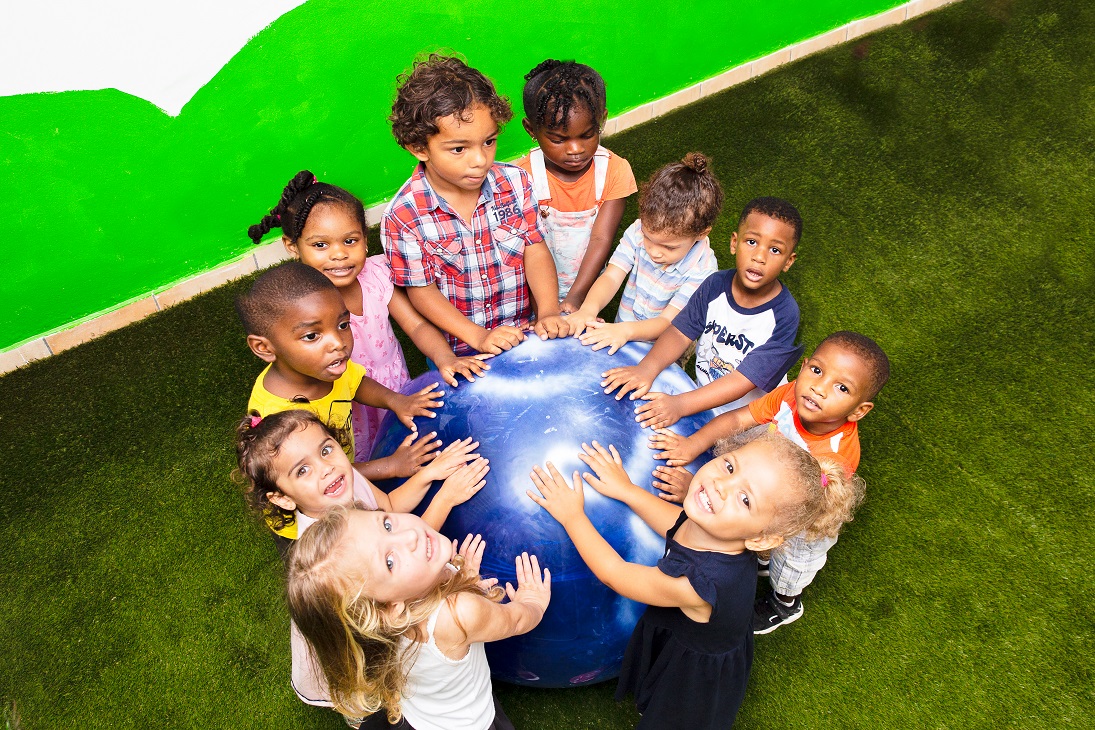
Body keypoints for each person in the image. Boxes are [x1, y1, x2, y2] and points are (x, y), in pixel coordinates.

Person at [527, 431, 864, 729]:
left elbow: (615, 575)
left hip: (696, 670)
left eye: (745, 499)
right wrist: (628, 491)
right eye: (730, 467)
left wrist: (572, 517)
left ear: (761, 539)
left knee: (673, 715)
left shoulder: (698, 582)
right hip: (696, 631)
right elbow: (677, 524)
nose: (721, 485)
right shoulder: (720, 527)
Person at [235, 409, 490, 717]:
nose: (326, 469)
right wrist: (445, 498)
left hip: (384, 604)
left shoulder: (344, 481)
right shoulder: (327, 553)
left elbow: (391, 506)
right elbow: (405, 563)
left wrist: (428, 474)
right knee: (365, 685)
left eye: (326, 450)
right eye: (302, 471)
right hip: (352, 636)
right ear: (283, 499)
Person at [650, 331, 890, 632]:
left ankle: (785, 604)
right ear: (803, 367)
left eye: (842, 387)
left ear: (859, 410)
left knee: (791, 564)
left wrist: (765, 532)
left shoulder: (833, 456)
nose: (819, 388)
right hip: (769, 487)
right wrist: (693, 444)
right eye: (817, 370)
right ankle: (763, 556)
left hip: (808, 515)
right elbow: (738, 420)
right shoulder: (791, 395)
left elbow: (797, 512)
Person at [248, 171, 492, 461]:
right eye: (320, 245)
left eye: (349, 241)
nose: (339, 254)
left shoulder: (374, 276)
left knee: (405, 443)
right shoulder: (296, 304)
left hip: (391, 384)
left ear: (365, 239)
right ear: (293, 247)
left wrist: (445, 358)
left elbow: (415, 325)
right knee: (354, 457)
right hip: (347, 404)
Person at [288, 507, 551, 729]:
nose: (410, 536)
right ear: (389, 609)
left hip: (419, 714)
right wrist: (533, 603)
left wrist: (461, 576)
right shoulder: (459, 613)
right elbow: (515, 620)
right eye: (389, 561)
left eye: (387, 524)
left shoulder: (380, 624)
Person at [382, 53, 570, 357]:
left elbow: (534, 248)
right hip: (463, 351)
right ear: (418, 148)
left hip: (525, 334)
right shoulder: (404, 216)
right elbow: (421, 291)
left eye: (489, 141)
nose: (481, 160)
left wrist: (548, 311)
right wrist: (479, 337)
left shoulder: (516, 183)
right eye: (459, 148)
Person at [600, 197, 805, 429]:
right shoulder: (714, 285)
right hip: (699, 399)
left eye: (775, 250)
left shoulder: (785, 315)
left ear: (789, 261)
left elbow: (743, 380)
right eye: (751, 242)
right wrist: (646, 369)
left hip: (748, 421)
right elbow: (679, 332)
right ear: (734, 243)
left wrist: (680, 405)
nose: (759, 257)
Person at [236, 262, 444, 477]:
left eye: (343, 325)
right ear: (264, 348)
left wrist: (396, 400)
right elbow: (325, 472)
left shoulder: (322, 367)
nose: (338, 342)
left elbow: (355, 382)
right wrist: (390, 466)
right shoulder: (281, 420)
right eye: (311, 336)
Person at [566, 153, 721, 355]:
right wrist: (588, 309)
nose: (654, 252)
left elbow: (668, 322)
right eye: (648, 238)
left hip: (665, 349)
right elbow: (612, 276)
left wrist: (624, 331)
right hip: (624, 331)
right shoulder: (639, 229)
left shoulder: (703, 270)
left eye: (669, 247)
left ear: (701, 233)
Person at [514, 59, 637, 307]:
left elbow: (601, 239)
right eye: (558, 139)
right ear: (531, 129)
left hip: (586, 294)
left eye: (588, 135)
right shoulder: (521, 176)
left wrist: (575, 300)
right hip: (532, 296)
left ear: (601, 120)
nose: (576, 150)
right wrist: (545, 309)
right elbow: (524, 249)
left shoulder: (614, 170)